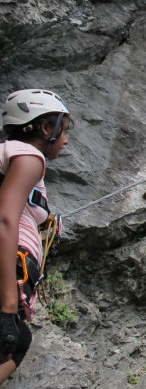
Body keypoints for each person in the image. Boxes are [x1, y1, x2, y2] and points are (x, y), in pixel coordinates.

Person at [0, 89, 72, 384]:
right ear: (45, 128)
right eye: (63, 131)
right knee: (13, 341)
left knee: (20, 340)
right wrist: (7, 305)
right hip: (8, 266)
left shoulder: (10, 156)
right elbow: (5, 219)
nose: (65, 141)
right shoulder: (30, 157)